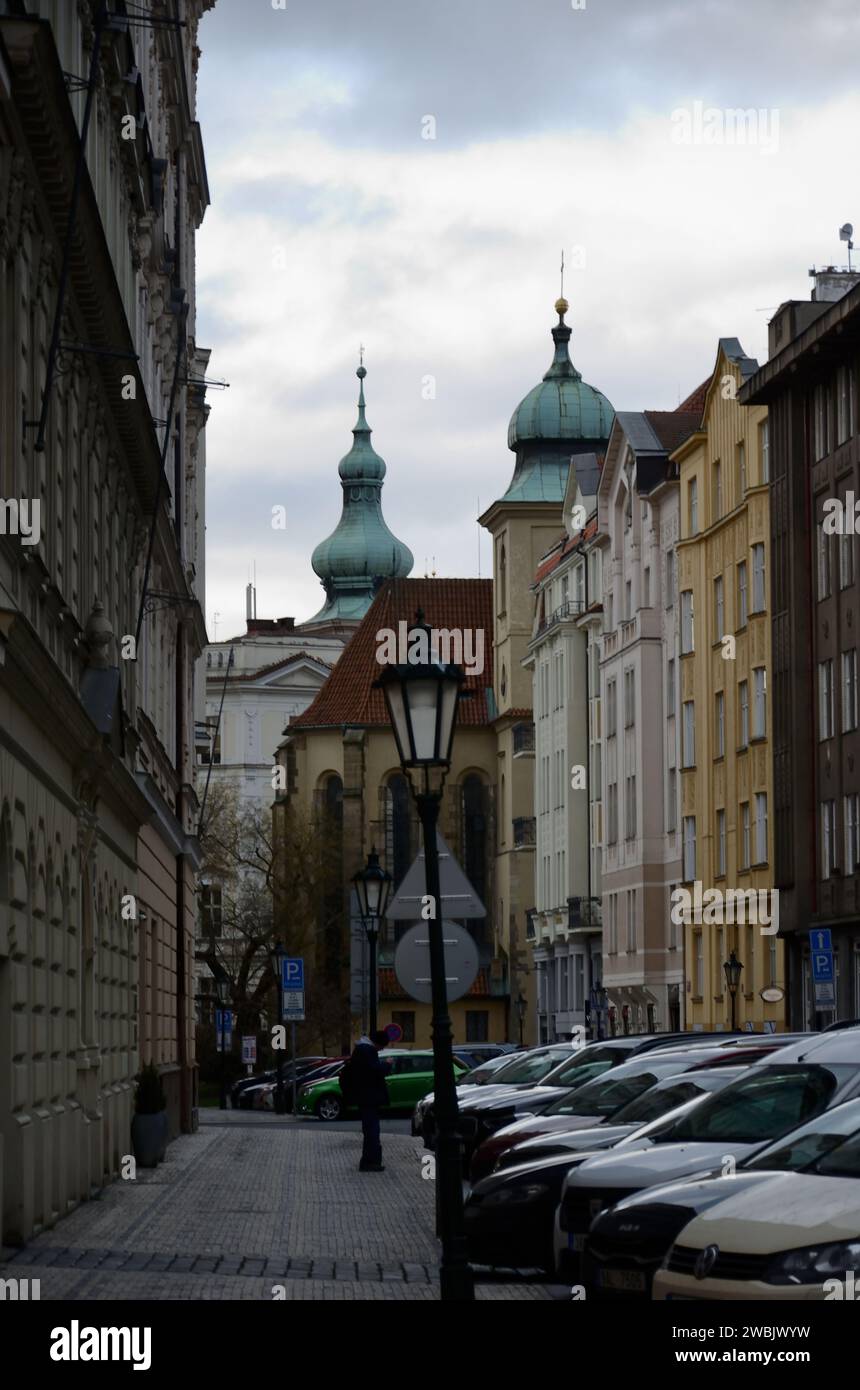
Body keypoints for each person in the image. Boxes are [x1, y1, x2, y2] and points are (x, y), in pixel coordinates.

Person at [342, 1029, 390, 1172]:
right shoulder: (367, 1051)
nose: (381, 1049)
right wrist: (387, 1064)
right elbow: (374, 1071)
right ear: (377, 1043)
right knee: (372, 1130)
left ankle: (370, 1160)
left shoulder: (361, 1050)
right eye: (381, 1046)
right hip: (369, 1097)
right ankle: (370, 1161)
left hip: (365, 1096)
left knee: (370, 1129)